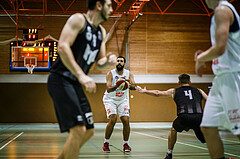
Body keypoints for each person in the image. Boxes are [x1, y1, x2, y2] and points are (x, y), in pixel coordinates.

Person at [47, 0, 117, 158]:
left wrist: (108, 61)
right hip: (61, 79)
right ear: (98, 5)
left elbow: (99, 63)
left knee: (89, 130)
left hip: (75, 83)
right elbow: (63, 47)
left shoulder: (101, 32)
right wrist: (81, 75)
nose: (112, 10)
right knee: (78, 129)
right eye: (109, 5)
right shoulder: (78, 20)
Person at [195, 0, 240, 158]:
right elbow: (221, 49)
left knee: (238, 130)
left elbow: (220, 48)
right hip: (220, 79)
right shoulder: (218, 13)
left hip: (234, 77)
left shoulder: (222, 10)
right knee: (207, 127)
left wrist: (200, 58)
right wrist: (205, 55)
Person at [136, 73, 208, 159]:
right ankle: (220, 154)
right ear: (190, 82)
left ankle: (169, 154)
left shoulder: (174, 91)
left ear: (179, 82)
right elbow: (209, 100)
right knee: (206, 139)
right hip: (198, 118)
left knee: (174, 129)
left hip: (184, 117)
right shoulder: (199, 90)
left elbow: (158, 93)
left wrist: (145, 91)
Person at [102, 56, 138, 152]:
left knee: (126, 121)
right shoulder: (111, 73)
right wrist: (117, 85)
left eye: (121, 61)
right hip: (110, 99)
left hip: (123, 100)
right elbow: (109, 89)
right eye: (118, 61)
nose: (119, 62)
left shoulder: (128, 74)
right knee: (113, 119)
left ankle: (126, 144)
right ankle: (106, 143)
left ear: (124, 63)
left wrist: (128, 85)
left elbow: (134, 86)